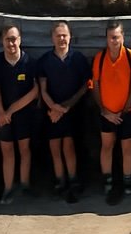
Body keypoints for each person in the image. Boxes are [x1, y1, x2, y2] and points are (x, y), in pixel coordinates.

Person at [37, 21, 93, 203]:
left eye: (64, 35)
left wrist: (67, 106)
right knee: (55, 148)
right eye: (58, 35)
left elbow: (86, 85)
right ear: (52, 38)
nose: (61, 38)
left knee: (69, 147)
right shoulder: (45, 61)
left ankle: (73, 180)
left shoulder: (78, 58)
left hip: (73, 111)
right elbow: (42, 89)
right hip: (52, 112)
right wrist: (54, 107)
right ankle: (59, 181)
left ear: (70, 37)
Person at [92, 20, 131, 204]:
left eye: (117, 37)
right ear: (106, 39)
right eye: (110, 38)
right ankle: (107, 180)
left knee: (127, 148)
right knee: (107, 146)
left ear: (123, 37)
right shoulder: (99, 58)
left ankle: (127, 180)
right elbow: (95, 86)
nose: (113, 41)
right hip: (107, 113)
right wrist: (105, 111)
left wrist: (128, 106)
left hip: (126, 113)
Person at [0, 25, 40, 204]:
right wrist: (2, 112)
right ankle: (8, 189)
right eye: (8, 39)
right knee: (7, 152)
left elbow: (34, 92)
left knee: (25, 150)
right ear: (2, 41)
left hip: (24, 115)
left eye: (14, 39)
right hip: (2, 117)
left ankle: (25, 185)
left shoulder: (30, 63)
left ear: (20, 40)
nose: (11, 43)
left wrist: (10, 111)